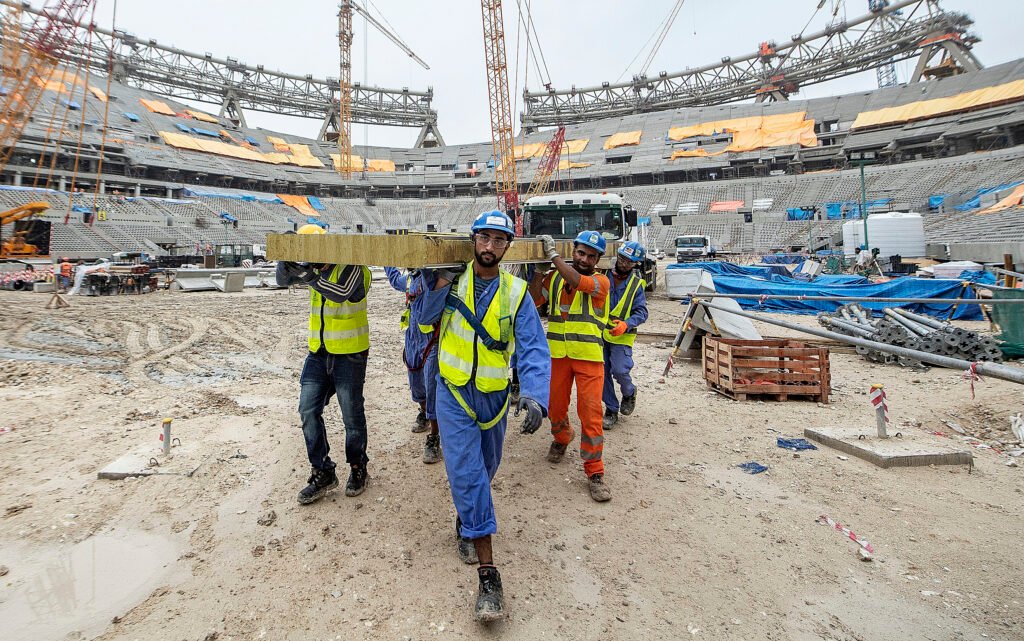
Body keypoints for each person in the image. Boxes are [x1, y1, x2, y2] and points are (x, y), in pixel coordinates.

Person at [419, 210, 550, 622]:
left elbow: (532, 347)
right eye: (484, 238)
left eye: (498, 240)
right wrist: (438, 283)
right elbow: (424, 320)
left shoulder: (516, 292)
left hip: (493, 401)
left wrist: (534, 395)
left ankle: (466, 518)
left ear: (507, 246)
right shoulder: (451, 280)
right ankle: (489, 576)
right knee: (468, 473)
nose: (490, 247)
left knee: (486, 469)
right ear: (473, 240)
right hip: (453, 392)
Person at [276, 224, 373, 504]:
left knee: (351, 418)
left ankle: (358, 467)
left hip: (350, 354)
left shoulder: (354, 266)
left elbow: (340, 292)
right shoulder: (313, 270)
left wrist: (306, 273)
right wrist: (286, 257)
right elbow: (283, 280)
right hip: (318, 353)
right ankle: (322, 470)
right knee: (307, 410)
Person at [528, 230, 612, 503]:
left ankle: (595, 472)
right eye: (580, 253)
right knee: (554, 406)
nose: (585, 258)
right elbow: (533, 300)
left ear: (598, 259)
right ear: (573, 251)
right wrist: (540, 272)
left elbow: (577, 281)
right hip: (559, 356)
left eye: (591, 255)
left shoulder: (600, 281)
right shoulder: (555, 279)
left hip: (588, 358)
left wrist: (552, 257)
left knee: (590, 415)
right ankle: (562, 437)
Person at [384, 266, 442, 463]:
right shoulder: (410, 279)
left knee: (432, 387)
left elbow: (430, 281)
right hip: (412, 339)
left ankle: (434, 436)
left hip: (431, 340)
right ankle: (424, 412)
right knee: (416, 384)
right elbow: (394, 280)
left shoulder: (430, 277)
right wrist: (387, 258)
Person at [602, 241, 649, 429]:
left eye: (629, 261)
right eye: (622, 258)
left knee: (620, 370)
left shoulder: (636, 285)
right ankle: (611, 409)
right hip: (600, 332)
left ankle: (629, 392)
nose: (623, 263)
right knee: (602, 372)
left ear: (635, 264)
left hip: (622, 335)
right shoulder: (602, 276)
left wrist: (626, 324)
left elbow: (642, 312)